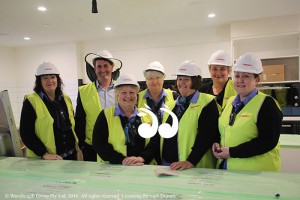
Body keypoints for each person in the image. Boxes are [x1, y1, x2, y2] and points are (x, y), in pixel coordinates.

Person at [212, 53, 282, 171]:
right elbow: (224, 130)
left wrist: (231, 152)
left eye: (246, 76)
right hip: (229, 170)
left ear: (257, 79)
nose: (240, 80)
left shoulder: (267, 104)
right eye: (237, 75)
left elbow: (267, 141)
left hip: (257, 174)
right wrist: (216, 142)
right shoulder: (230, 103)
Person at [160, 60, 220, 170]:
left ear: (195, 81)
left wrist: (191, 161)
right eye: (179, 79)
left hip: (193, 166)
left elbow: (207, 136)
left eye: (186, 79)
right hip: (168, 164)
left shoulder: (207, 102)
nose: (181, 82)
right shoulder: (171, 105)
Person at [92, 73, 158, 165]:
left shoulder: (148, 116)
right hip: (114, 169)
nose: (128, 96)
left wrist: (142, 158)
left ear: (137, 95)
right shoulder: (105, 116)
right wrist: (122, 160)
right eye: (123, 92)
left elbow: (155, 142)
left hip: (142, 167)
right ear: (117, 95)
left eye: (132, 92)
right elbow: (99, 144)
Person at [20, 62, 80, 160]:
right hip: (48, 159)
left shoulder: (65, 99)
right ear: (40, 81)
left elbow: (71, 125)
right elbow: (26, 133)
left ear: (57, 79)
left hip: (71, 155)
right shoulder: (31, 101)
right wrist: (43, 153)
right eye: (45, 78)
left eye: (52, 77)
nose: (50, 81)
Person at [75, 50, 121, 161]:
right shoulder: (83, 91)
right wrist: (82, 144)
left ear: (112, 67)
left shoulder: (122, 89)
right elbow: (80, 119)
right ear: (94, 69)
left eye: (106, 66)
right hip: (92, 146)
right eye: (99, 66)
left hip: (117, 144)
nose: (102, 70)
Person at [138, 61, 178, 134]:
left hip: (167, 141)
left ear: (163, 79)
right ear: (146, 80)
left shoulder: (174, 96)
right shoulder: (137, 98)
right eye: (150, 78)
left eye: (158, 77)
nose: (154, 81)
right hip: (146, 142)